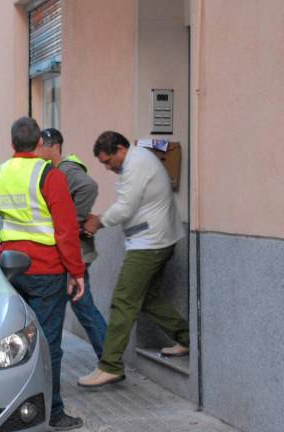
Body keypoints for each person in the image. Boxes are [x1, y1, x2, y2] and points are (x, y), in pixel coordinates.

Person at [0, 117, 86, 431]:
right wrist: (76, 271)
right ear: (40, 142)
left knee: (7, 341)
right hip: (46, 270)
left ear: (12, 143)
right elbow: (66, 229)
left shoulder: (0, 172)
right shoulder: (48, 175)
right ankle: (53, 413)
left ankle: (6, 407)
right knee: (47, 344)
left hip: (10, 269)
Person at [77, 131, 189, 388]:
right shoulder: (138, 161)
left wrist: (98, 221)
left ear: (120, 149)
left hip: (149, 244)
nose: (107, 167)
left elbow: (125, 207)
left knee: (123, 301)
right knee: (148, 298)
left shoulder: (136, 163)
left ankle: (110, 366)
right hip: (156, 239)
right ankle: (187, 339)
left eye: (108, 161)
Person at [35, 128, 108, 359]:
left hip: (74, 252)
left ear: (54, 146)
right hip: (70, 251)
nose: (37, 152)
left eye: (41, 147)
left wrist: (75, 218)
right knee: (81, 307)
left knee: (83, 307)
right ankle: (109, 359)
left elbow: (90, 186)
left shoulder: (67, 169)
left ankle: (109, 361)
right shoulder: (54, 170)